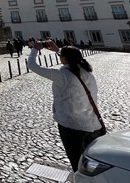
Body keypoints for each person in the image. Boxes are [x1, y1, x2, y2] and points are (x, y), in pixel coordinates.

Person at [27, 40, 104, 173]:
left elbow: (32, 66)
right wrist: (59, 51)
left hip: (72, 126)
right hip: (93, 125)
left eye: (62, 57)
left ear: (64, 59)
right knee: (92, 164)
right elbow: (71, 59)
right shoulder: (87, 72)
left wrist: (35, 49)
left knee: (77, 164)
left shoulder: (62, 75)